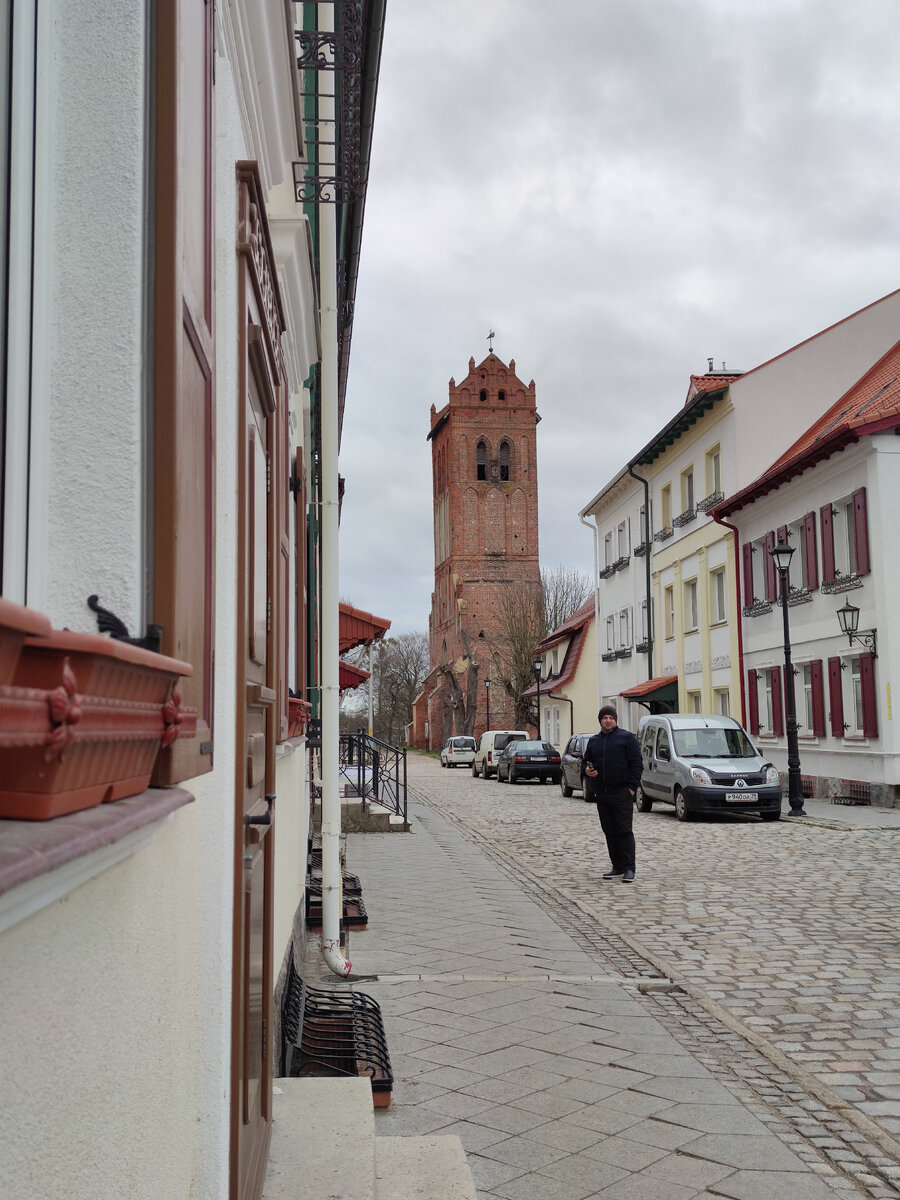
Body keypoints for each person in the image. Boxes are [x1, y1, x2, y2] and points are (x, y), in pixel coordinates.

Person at [583, 705, 643, 882]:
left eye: (610, 717)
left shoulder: (626, 738)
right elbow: (585, 762)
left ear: (615, 719)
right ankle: (616, 865)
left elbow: (637, 764)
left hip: (622, 792)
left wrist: (632, 787)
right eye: (604, 718)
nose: (607, 720)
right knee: (609, 830)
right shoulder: (594, 741)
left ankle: (629, 868)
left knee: (624, 830)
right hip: (602, 793)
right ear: (600, 720)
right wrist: (587, 771)